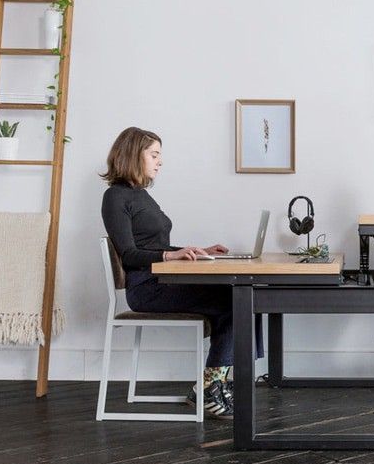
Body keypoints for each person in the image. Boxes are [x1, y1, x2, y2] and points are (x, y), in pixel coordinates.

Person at [100, 126, 263, 420]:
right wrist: (169, 255)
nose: (159, 161)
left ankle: (212, 384)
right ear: (132, 154)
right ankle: (211, 385)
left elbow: (156, 245)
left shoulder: (142, 195)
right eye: (154, 154)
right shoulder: (115, 197)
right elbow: (129, 254)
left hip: (162, 279)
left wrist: (197, 250)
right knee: (234, 299)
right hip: (146, 288)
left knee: (239, 295)